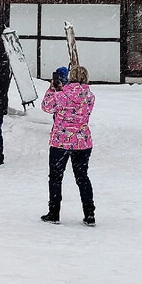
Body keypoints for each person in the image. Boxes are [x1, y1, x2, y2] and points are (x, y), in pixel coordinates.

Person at [40, 64, 96, 226]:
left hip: (61, 141)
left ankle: (54, 212)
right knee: (82, 177)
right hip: (82, 141)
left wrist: (52, 89)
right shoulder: (90, 97)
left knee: (56, 177)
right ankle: (89, 213)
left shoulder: (61, 95)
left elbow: (46, 107)